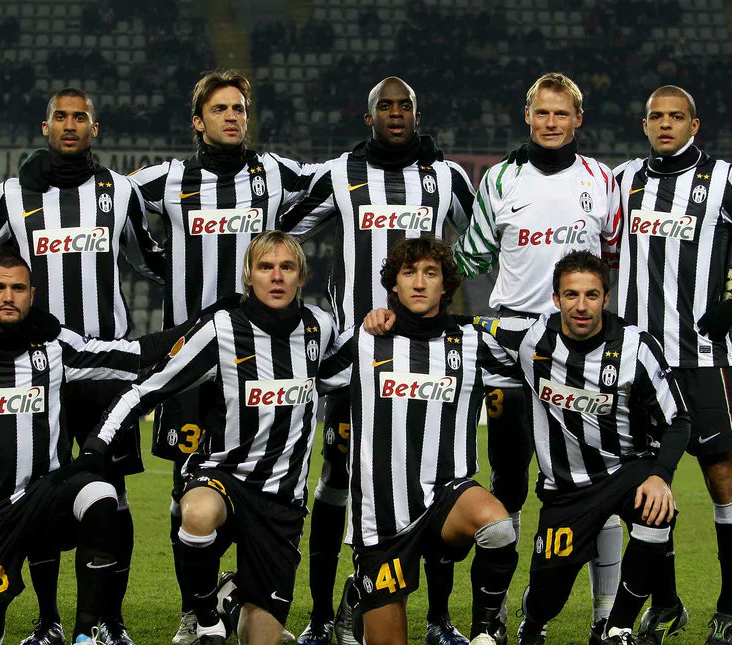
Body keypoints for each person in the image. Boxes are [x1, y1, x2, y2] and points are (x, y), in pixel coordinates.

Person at [0, 87, 165, 645]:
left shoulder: (119, 191)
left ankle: (108, 621)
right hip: (34, 368)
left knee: (110, 495)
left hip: (104, 371)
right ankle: (48, 620)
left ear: (95, 128)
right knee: (36, 488)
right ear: (45, 128)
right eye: (60, 117)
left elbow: (154, 260)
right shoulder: (13, 194)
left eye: (80, 117)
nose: (70, 125)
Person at [280, 76, 475, 645]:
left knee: (435, 481)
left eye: (403, 105)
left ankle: (438, 619)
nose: (394, 113)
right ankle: (322, 616)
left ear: (416, 115)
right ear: (369, 118)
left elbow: (485, 241)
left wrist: (450, 302)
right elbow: (283, 235)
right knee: (335, 480)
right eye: (384, 106)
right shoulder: (339, 174)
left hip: (429, 357)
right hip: (356, 359)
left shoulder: (446, 176)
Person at [0, 252, 190, 645]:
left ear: (32, 294)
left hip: (45, 503)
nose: (8, 296)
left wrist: (208, 322)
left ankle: (85, 634)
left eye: (18, 288)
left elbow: (136, 354)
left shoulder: (54, 344)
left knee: (101, 495)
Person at [126, 69, 316, 645]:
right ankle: (198, 608)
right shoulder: (167, 178)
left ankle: (243, 591)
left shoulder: (275, 173)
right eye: (220, 109)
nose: (232, 117)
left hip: (256, 358)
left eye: (239, 108)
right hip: (192, 360)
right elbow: (113, 202)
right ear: (198, 121)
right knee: (186, 493)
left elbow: (324, 190)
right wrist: (158, 262)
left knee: (258, 474)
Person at [87, 231, 338, 645]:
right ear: (248, 276)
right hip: (224, 478)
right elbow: (148, 388)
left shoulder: (320, 327)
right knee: (198, 514)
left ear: (301, 276)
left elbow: (351, 367)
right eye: (266, 267)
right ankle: (205, 617)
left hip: (282, 502)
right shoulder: (222, 329)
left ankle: (231, 599)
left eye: (286, 267)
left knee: (261, 639)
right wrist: (97, 446)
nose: (276, 276)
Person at [614, 86, 732, 645]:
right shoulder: (622, 180)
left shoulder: (722, 179)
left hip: (702, 359)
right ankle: (665, 604)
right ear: (644, 124)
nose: (665, 124)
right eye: (656, 116)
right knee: (646, 487)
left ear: (695, 124)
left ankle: (729, 608)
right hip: (639, 365)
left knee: (721, 477)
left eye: (677, 117)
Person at [452, 72, 623, 644]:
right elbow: (471, 257)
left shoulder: (602, 180)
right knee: (508, 477)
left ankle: (605, 618)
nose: (551, 122)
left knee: (597, 479)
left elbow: (613, 256)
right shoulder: (500, 178)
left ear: (578, 119)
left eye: (561, 113)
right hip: (509, 344)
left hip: (578, 345)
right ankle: (494, 615)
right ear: (528, 116)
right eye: (542, 112)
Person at [482, 251, 689, 645]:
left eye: (591, 295)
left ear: (605, 298)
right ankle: (535, 618)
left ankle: (617, 627)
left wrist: (661, 476)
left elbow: (678, 419)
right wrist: (388, 319)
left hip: (627, 469)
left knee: (657, 512)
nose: (581, 306)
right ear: (556, 299)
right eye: (571, 295)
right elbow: (464, 325)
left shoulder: (635, 347)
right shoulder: (531, 338)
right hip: (566, 488)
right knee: (546, 597)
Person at [324, 237, 521, 645]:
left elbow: (537, 357)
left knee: (500, 528)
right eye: (409, 273)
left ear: (445, 285)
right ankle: (359, 592)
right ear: (393, 284)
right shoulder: (363, 340)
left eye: (430, 273)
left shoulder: (472, 343)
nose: (419, 282)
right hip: (381, 519)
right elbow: (306, 371)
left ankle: (486, 632)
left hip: (447, 499)